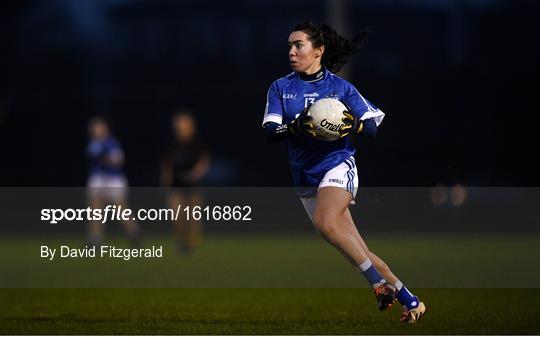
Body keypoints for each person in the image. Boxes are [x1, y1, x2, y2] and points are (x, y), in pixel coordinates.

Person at [262, 22, 426, 323]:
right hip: (305, 177)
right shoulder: (281, 88)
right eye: (289, 46)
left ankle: (378, 286)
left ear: (318, 50)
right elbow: (271, 131)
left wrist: (356, 125)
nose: (292, 51)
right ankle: (410, 300)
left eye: (299, 45)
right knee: (359, 249)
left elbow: (373, 126)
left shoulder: (340, 88)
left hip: (338, 165)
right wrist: (295, 126)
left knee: (325, 223)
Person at [86, 116, 141, 247]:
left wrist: (105, 158)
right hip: (98, 177)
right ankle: (95, 240)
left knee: (120, 209)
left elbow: (118, 160)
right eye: (95, 127)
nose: (96, 130)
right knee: (95, 208)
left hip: (113, 179)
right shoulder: (93, 143)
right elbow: (92, 156)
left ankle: (134, 234)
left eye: (99, 126)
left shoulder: (112, 142)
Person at [161, 110, 211, 255]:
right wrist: (166, 179)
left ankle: (191, 244)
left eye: (183, 123)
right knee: (177, 215)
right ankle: (181, 241)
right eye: (177, 124)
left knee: (193, 217)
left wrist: (196, 173)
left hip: (193, 185)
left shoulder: (197, 142)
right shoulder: (171, 143)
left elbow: (204, 161)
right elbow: (166, 164)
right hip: (176, 185)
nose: (179, 127)